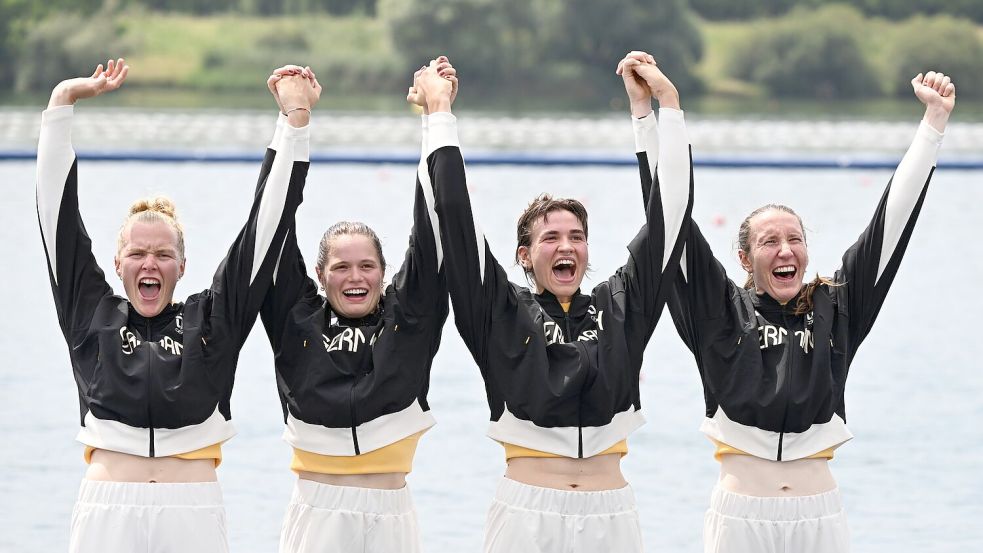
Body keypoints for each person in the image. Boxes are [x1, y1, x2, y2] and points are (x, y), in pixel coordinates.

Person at [649, 70, 956, 553]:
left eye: (795, 239)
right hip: (741, 516)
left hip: (819, 516)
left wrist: (933, 123)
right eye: (770, 242)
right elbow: (669, 214)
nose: (786, 250)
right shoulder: (719, 313)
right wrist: (660, 112)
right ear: (746, 260)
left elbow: (890, 224)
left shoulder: (838, 308)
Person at [416, 52, 693, 552]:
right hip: (528, 513)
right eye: (550, 238)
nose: (566, 246)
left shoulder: (621, 307)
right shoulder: (500, 312)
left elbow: (671, 215)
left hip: (611, 516)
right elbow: (454, 214)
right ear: (524, 255)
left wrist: (657, 110)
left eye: (577, 237)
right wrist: (439, 116)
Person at [36, 58, 315, 552]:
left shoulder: (211, 321)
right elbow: (57, 220)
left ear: (181, 267)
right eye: (138, 254)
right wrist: (62, 103)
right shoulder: (92, 315)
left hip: (192, 513)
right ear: (118, 263)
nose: (151, 263)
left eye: (164, 254)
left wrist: (292, 125)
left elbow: (263, 230)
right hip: (107, 510)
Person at [259, 61, 456, 553]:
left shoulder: (408, 320)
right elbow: (269, 225)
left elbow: (433, 226)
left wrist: (436, 115)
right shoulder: (295, 318)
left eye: (366, 266)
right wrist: (294, 122)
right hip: (316, 512)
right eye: (341, 268)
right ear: (320, 276)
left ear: (385, 273)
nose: (354, 277)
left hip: (391, 517)